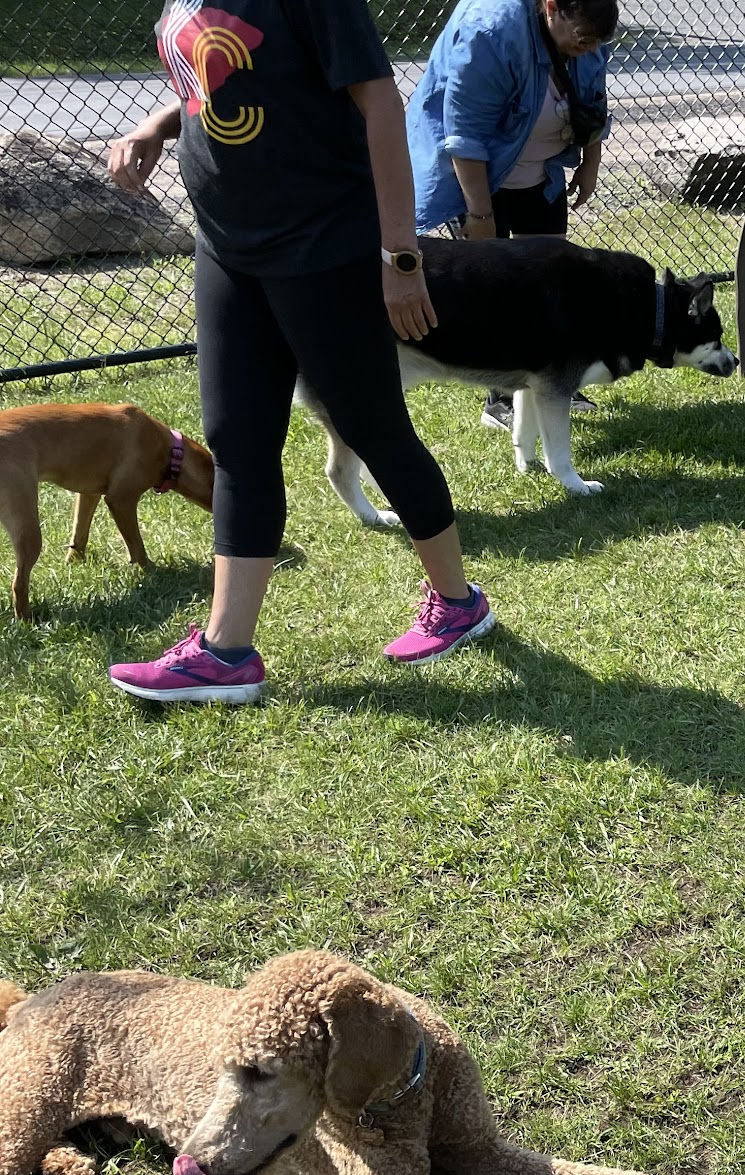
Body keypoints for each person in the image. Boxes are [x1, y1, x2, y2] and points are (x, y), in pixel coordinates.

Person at [105, 0, 494, 706]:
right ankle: (226, 653)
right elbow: (220, 79)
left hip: (322, 244)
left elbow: (379, 102)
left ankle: (459, 602)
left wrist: (400, 256)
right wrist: (156, 126)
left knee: (374, 429)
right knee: (239, 438)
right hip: (227, 244)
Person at [407, 0, 616, 430]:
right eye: (583, 40)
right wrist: (480, 216)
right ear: (552, 8)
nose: (590, 50)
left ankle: (555, 379)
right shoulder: (489, 32)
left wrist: (590, 161)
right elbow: (462, 134)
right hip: (484, 176)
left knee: (555, 280)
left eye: (598, 43)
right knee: (498, 291)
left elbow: (594, 97)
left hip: (542, 172)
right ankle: (500, 397)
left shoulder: (586, 37)